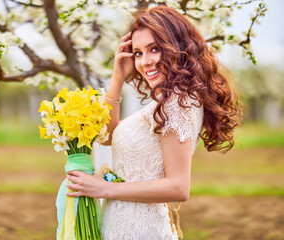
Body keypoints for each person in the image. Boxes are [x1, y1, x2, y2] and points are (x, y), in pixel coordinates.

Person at [65, 5, 242, 240]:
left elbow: (178, 187)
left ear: (178, 48)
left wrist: (106, 188)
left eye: (154, 49)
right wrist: (118, 78)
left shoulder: (177, 103)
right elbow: (107, 136)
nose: (145, 61)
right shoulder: (169, 101)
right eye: (138, 53)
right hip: (122, 226)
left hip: (141, 231)